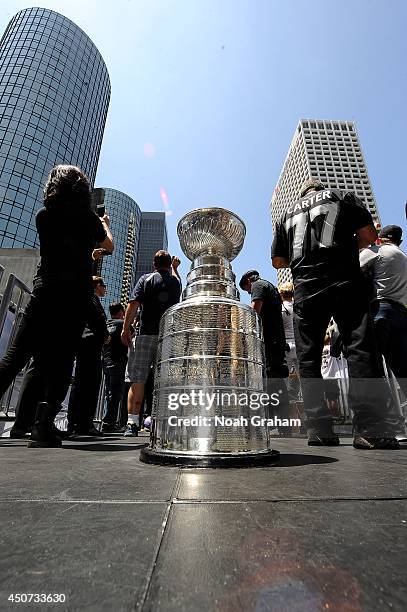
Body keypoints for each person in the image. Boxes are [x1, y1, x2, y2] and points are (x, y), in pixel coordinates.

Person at [271, 178, 399, 449]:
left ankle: (318, 429)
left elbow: (278, 260)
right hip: (344, 280)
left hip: (305, 287)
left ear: (304, 192)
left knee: (308, 359)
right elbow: (367, 236)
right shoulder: (342, 195)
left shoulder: (286, 214)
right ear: (319, 188)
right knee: (360, 349)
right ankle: (370, 429)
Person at [0, 165, 113, 447]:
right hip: (74, 296)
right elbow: (108, 245)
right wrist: (105, 223)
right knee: (62, 360)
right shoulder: (89, 219)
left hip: (46, 289)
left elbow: (64, 247)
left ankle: (27, 423)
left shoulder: (44, 216)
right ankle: (43, 425)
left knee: (17, 355)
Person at [121, 251, 181, 436]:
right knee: (164, 381)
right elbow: (178, 285)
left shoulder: (146, 279)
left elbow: (133, 304)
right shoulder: (174, 282)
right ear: (168, 263)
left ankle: (132, 424)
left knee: (137, 379)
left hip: (145, 334)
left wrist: (126, 328)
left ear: (154, 263)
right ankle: (163, 424)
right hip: (167, 337)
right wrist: (175, 269)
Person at [239, 270, 290, 434]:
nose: (249, 293)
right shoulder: (271, 286)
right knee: (278, 381)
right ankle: (283, 425)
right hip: (277, 340)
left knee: (272, 381)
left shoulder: (258, 285)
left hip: (270, 341)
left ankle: (277, 424)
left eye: (247, 290)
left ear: (248, 281)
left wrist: (242, 330)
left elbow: (254, 312)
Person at [360, 225, 407, 398]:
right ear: (399, 241)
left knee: (372, 363)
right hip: (401, 313)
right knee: (402, 367)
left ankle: (383, 413)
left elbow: (353, 270)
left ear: (381, 237)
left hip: (380, 310)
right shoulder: (403, 257)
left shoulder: (377, 251)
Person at [67, 276, 109, 436]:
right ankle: (82, 423)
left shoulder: (92, 299)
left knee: (84, 384)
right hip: (89, 345)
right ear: (97, 286)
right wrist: (104, 334)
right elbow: (96, 320)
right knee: (88, 384)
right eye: (103, 285)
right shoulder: (90, 299)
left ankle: (80, 422)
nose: (105, 289)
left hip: (90, 345)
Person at [101, 302, 129, 432]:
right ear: (121, 312)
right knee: (116, 394)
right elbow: (131, 339)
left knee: (109, 393)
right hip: (118, 362)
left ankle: (108, 421)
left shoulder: (106, 324)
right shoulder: (123, 324)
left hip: (106, 362)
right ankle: (109, 423)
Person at [278, 281, 301, 404]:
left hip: (286, 345)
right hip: (298, 344)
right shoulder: (298, 306)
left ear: (281, 293)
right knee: (303, 376)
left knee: (284, 377)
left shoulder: (281, 308)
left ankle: (286, 403)